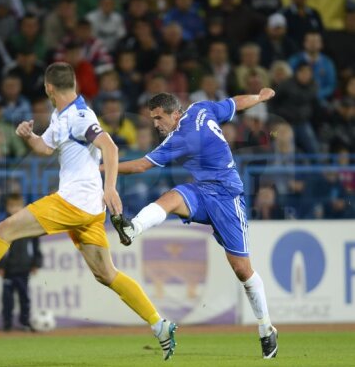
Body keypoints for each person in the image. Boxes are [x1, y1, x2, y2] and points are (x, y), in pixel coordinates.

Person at [0, 62, 178, 361]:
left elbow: (111, 148)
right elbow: (45, 148)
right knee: (106, 274)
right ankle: (160, 324)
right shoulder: (62, 115)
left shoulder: (80, 116)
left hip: (73, 202)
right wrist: (29, 136)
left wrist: (110, 187)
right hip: (87, 209)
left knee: (5, 230)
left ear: (48, 88)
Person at [107, 90, 278, 359]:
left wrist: (104, 169)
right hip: (201, 191)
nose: (155, 124)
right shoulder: (201, 108)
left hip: (227, 197)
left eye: (158, 118)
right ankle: (132, 228)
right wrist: (258, 97)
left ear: (175, 114)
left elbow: (141, 166)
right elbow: (234, 103)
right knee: (172, 197)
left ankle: (266, 328)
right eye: (152, 118)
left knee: (242, 270)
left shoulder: (181, 137)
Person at [0, 193, 43, 332]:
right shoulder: (2, 226)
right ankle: (7, 324)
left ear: (22, 206)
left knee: (24, 297)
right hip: (8, 269)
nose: (15, 209)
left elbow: (35, 246)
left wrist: (35, 263)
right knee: (7, 299)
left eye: (17, 206)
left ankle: (24, 322)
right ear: (7, 207)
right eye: (12, 206)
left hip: (24, 268)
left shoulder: (28, 225)